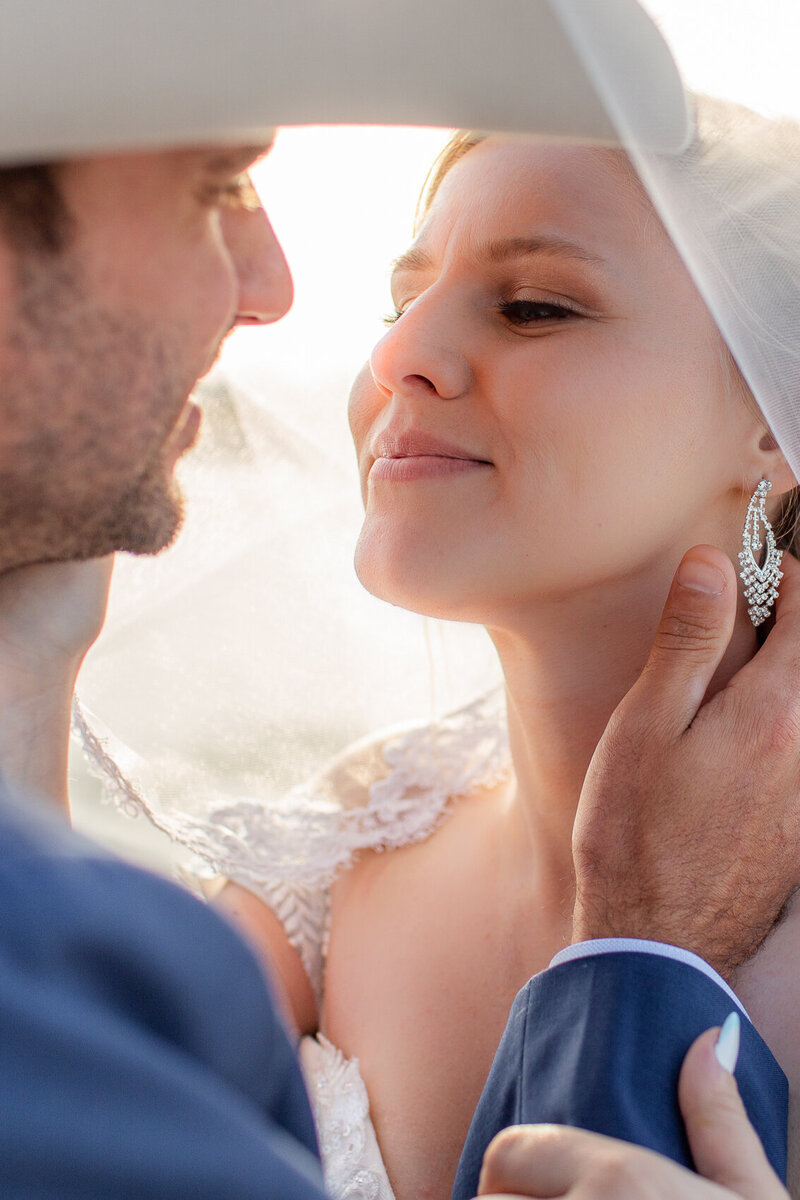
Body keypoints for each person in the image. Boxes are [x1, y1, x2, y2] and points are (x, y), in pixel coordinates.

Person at [0, 1, 798, 1197]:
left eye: (533, 305)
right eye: (398, 300)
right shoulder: (337, 867)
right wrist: (32, 667)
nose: (399, 354)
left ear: (769, 421)